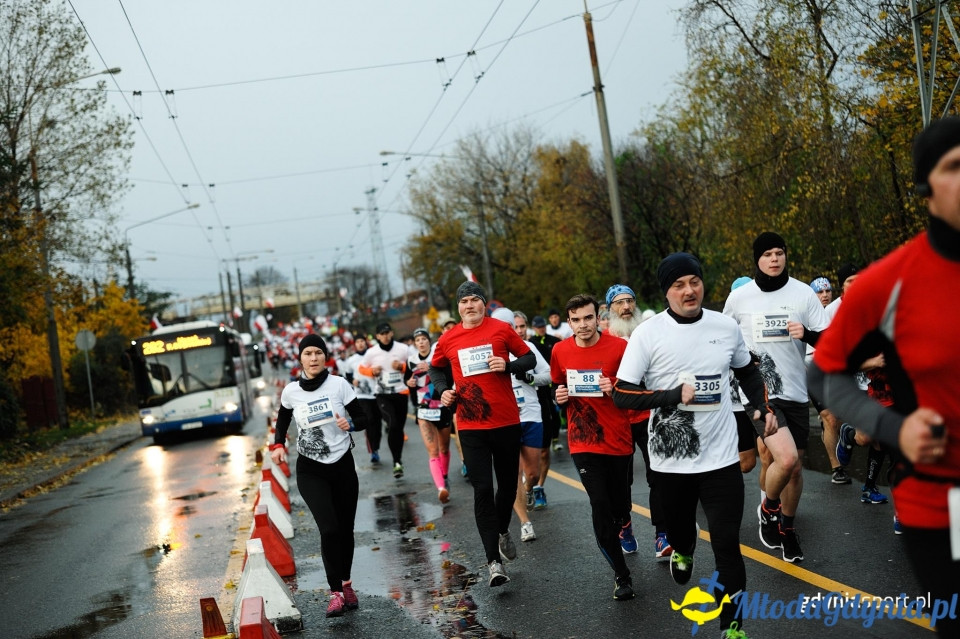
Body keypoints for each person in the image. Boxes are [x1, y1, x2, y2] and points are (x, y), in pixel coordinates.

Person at [809, 116, 960, 638]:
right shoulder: (889, 284)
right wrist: (896, 429)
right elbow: (824, 374)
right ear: (925, 188)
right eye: (955, 167)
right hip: (946, 498)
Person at [614, 253, 777, 638]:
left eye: (694, 281)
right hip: (671, 463)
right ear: (666, 292)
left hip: (721, 458)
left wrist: (761, 406)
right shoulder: (648, 334)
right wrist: (671, 395)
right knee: (681, 532)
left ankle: (733, 626)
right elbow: (622, 394)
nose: (689, 290)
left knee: (726, 543)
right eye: (678, 285)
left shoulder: (724, 326)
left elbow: (748, 371)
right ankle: (682, 548)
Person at [722, 231, 829, 563]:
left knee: (795, 471)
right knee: (786, 459)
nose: (774, 259)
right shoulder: (740, 298)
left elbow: (829, 342)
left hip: (795, 390)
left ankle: (786, 527)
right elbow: (722, 339)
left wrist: (808, 334)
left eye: (779, 252)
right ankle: (769, 507)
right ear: (757, 259)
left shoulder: (802, 294)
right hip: (759, 392)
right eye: (767, 253)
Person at [429, 282, 536, 587]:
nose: (470, 305)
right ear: (458, 307)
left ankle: (502, 529)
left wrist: (509, 365)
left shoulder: (501, 329)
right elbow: (435, 370)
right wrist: (443, 391)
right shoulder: (448, 339)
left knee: (506, 487)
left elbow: (528, 359)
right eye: (464, 301)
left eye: (475, 299)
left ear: (483, 304)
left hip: (505, 422)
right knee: (482, 490)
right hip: (471, 426)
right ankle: (493, 562)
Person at [270, 333, 370, 618]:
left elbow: (363, 419)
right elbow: (282, 420)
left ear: (325, 356)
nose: (313, 358)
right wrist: (278, 445)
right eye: (307, 354)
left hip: (342, 465)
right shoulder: (291, 392)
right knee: (328, 529)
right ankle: (335, 592)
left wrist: (349, 422)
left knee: (345, 529)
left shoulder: (339, 385)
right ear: (300, 358)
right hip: (311, 469)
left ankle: (347, 584)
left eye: (318, 353)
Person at [550, 293, 636, 601]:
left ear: (598, 317)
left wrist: (615, 388)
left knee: (619, 504)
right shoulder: (560, 350)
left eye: (588, 318)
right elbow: (557, 385)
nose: (583, 325)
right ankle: (621, 575)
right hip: (583, 441)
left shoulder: (619, 348)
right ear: (568, 322)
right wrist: (558, 398)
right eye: (576, 320)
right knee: (599, 504)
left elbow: (634, 389)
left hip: (619, 440)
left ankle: (624, 519)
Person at [604, 283, 668, 558]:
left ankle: (662, 534)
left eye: (630, 301)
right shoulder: (603, 339)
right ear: (610, 309)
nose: (626, 307)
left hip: (648, 415)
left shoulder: (647, 335)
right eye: (619, 303)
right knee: (621, 481)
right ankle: (624, 526)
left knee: (660, 475)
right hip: (617, 419)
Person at [491, 307, 551, 543]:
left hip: (530, 415)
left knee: (532, 474)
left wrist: (531, 378)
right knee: (511, 473)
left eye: (511, 326)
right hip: (504, 419)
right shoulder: (488, 352)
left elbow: (549, 375)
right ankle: (525, 523)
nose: (508, 330)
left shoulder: (528, 349)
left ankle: (529, 490)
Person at [807, 276, 850, 485]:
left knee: (838, 421)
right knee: (830, 418)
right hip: (812, 373)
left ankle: (834, 436)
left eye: (827, 291)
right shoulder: (805, 313)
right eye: (819, 292)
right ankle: (837, 468)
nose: (824, 295)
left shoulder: (835, 311)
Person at [406, 328, 454, 504]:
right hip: (424, 409)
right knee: (433, 451)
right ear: (414, 343)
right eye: (417, 340)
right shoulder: (410, 360)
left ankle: (445, 476)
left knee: (444, 448)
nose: (421, 342)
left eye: (424, 339)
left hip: (442, 406)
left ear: (428, 341)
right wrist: (409, 383)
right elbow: (409, 381)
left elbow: (449, 377)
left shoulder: (438, 356)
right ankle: (441, 488)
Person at [358, 322, 410, 478]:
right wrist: (372, 371)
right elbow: (361, 368)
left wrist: (402, 367)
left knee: (398, 428)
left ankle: (397, 460)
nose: (385, 336)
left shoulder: (403, 349)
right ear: (377, 336)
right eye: (382, 334)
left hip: (401, 392)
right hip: (382, 394)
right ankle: (397, 462)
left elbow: (413, 364)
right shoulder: (371, 353)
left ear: (391, 333)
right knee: (392, 423)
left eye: (387, 333)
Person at [529, 314, 564, 483]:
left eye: (542, 326)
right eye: (538, 326)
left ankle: (539, 487)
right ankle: (526, 485)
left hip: (547, 389)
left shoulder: (554, 340)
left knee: (555, 415)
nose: (541, 329)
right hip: (521, 405)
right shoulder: (530, 342)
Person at [341, 336, 383, 464]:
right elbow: (347, 375)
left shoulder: (373, 356)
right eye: (357, 342)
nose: (360, 344)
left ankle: (376, 446)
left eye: (362, 341)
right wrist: (352, 381)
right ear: (355, 345)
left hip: (377, 392)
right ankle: (373, 451)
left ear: (366, 343)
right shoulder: (351, 360)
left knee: (378, 423)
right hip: (361, 395)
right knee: (369, 421)